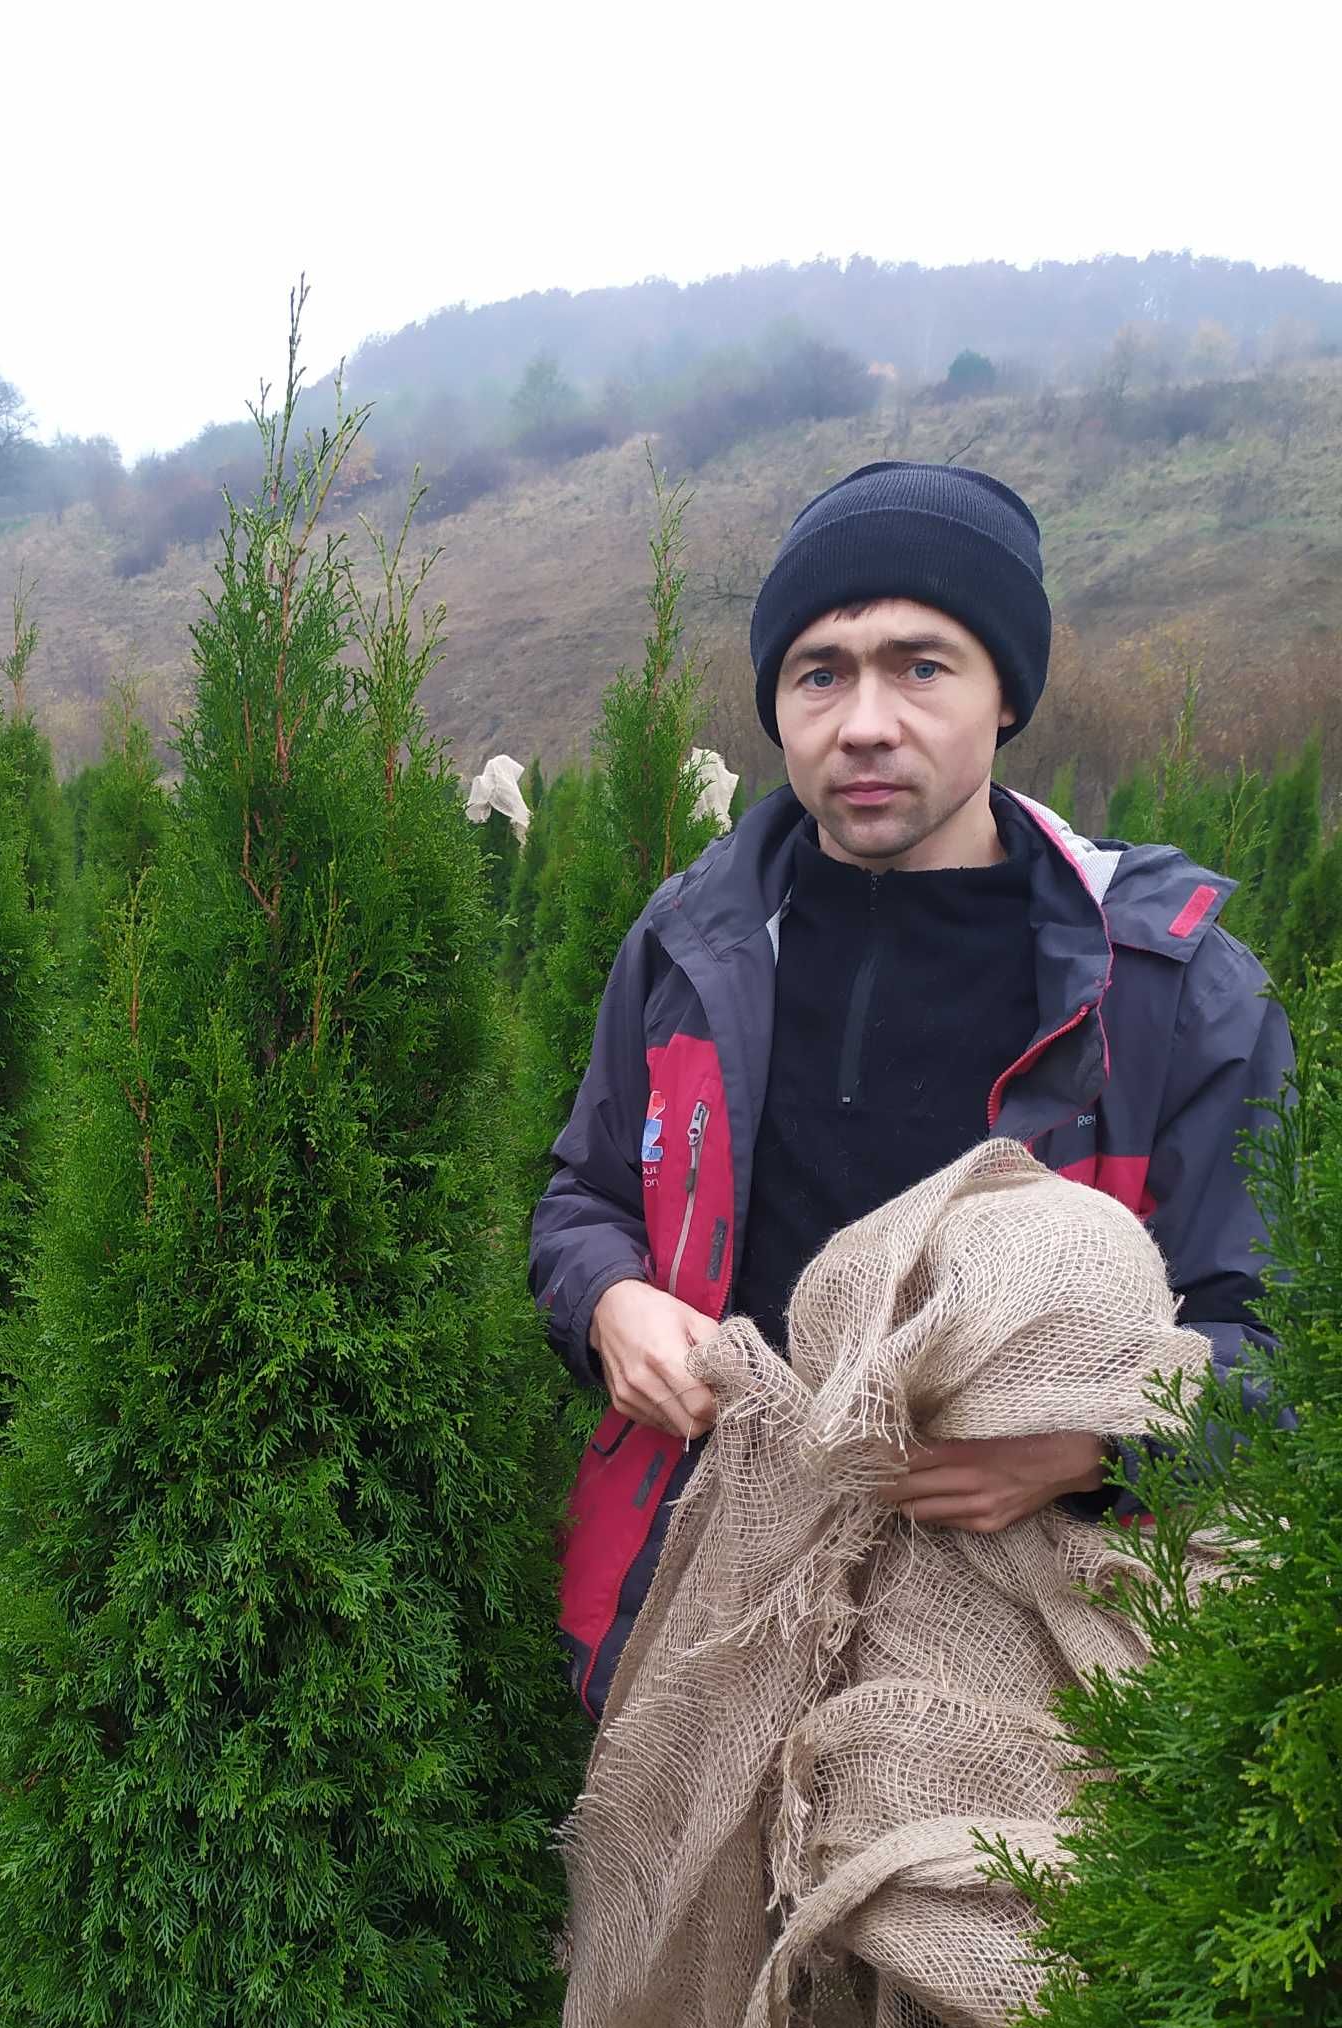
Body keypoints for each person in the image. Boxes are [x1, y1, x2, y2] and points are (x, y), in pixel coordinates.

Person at [531, 459, 1292, 1718]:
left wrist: (1092, 1446)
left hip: (1017, 1632)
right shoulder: (691, 946)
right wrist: (608, 1302)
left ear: (1005, 698)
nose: (864, 720)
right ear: (777, 704)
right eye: (819, 672)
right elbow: (581, 1198)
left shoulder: (1167, 986)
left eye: (919, 666)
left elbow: (1277, 1341)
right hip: (705, 1585)